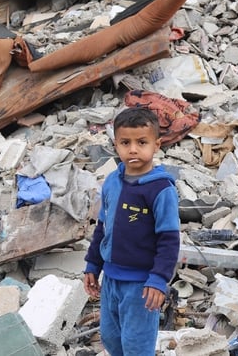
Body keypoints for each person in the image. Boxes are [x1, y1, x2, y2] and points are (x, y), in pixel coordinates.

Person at [83, 107, 181, 356]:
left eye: (142, 142)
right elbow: (102, 228)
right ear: (116, 144)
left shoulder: (160, 189)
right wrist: (93, 266)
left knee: (137, 346)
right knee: (111, 338)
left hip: (141, 285)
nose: (133, 149)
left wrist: (159, 280)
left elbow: (169, 240)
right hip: (111, 281)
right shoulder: (112, 182)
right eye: (125, 142)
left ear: (156, 145)